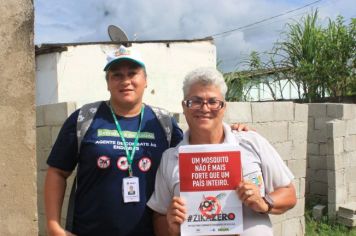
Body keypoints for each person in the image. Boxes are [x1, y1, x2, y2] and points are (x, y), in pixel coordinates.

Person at [44, 46, 249, 236]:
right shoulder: (85, 118)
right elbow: (57, 172)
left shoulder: (163, 122)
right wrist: (53, 226)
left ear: (145, 80)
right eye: (117, 75)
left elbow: (195, 148)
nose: (125, 81)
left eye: (133, 73)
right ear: (107, 82)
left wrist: (229, 130)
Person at [147, 67, 297, 236]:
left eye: (213, 102)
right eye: (195, 101)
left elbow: (289, 193)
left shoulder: (251, 142)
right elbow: (159, 215)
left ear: (224, 107)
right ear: (184, 106)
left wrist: (264, 202)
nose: (204, 108)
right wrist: (173, 229)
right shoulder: (170, 158)